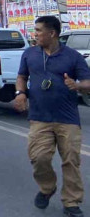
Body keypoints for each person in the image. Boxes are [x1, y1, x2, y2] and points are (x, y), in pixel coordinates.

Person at [14, 16, 90, 217]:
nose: (35, 34)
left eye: (39, 30)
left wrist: (78, 85)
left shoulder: (73, 56)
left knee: (71, 161)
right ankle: (47, 188)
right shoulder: (30, 54)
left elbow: (88, 82)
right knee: (39, 158)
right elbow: (22, 77)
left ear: (52, 33)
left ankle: (71, 203)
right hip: (39, 117)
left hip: (68, 119)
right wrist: (20, 93)